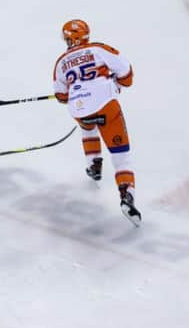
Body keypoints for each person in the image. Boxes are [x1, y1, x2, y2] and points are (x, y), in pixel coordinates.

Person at [53, 19, 141, 226]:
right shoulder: (99, 49)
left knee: (87, 123)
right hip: (106, 107)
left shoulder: (61, 62)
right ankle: (126, 194)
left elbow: (61, 95)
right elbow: (127, 73)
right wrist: (116, 82)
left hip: (80, 110)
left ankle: (93, 163)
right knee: (121, 156)